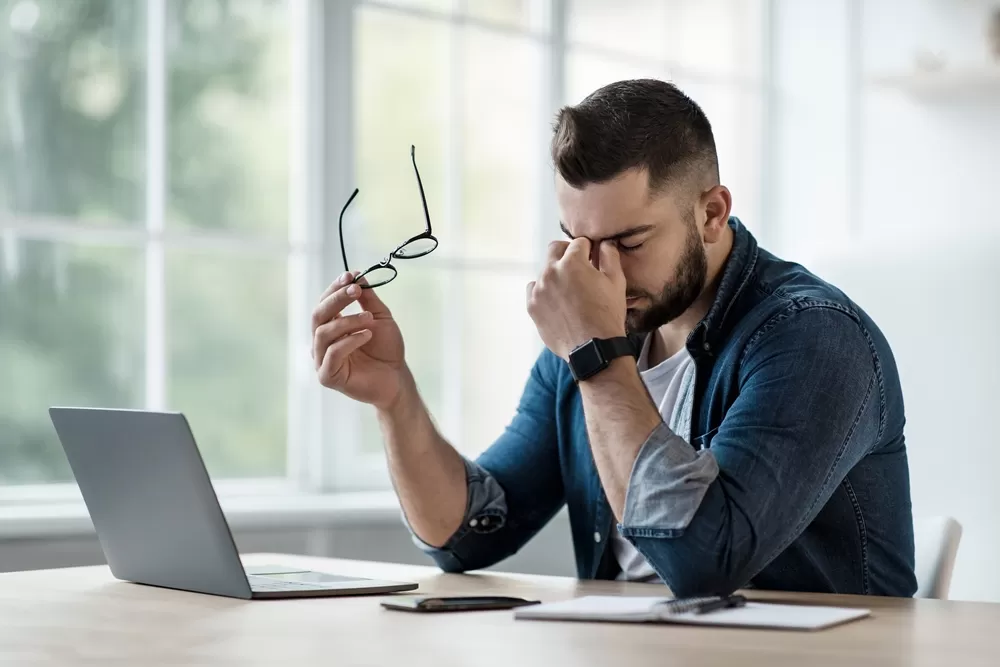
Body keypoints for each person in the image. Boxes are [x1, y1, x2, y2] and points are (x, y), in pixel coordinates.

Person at [311, 79, 917, 598]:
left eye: (629, 243)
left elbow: (706, 564)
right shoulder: (596, 328)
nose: (601, 272)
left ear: (711, 214)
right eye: (579, 241)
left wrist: (596, 356)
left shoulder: (813, 336)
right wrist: (395, 397)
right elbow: (468, 533)